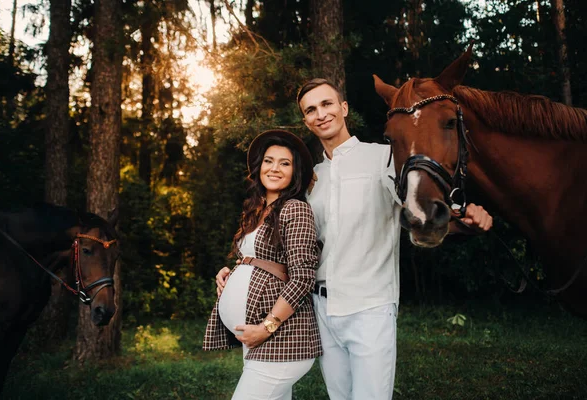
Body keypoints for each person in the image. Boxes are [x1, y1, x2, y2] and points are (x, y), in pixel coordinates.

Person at [296, 78, 493, 400]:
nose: (321, 114)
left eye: (327, 104)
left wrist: (466, 218)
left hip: (369, 307)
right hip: (320, 308)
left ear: (344, 108)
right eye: (311, 110)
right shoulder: (311, 177)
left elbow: (419, 212)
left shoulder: (384, 158)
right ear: (305, 120)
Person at [204, 129, 322, 399]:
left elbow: (303, 277)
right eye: (269, 161)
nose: (275, 168)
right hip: (256, 338)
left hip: (282, 338)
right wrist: (229, 273)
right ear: (259, 167)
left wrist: (266, 327)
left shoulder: (295, 208)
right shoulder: (256, 209)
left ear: (295, 172)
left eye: (285, 163)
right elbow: (253, 261)